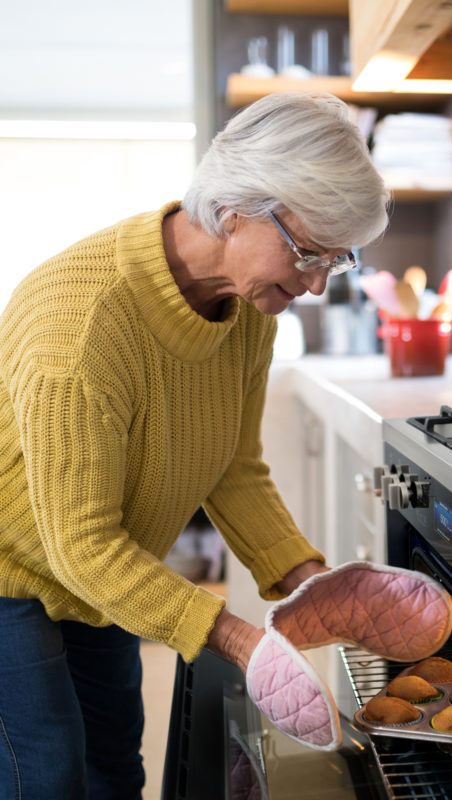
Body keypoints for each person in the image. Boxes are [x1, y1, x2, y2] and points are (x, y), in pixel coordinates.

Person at [0, 91, 390, 799]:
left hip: (101, 567)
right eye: (307, 253)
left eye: (336, 261)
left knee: (114, 766)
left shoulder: (249, 309)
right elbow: (80, 544)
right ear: (236, 208)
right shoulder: (80, 328)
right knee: (47, 775)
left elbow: (233, 466)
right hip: (11, 568)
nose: (314, 284)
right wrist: (239, 640)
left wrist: (311, 581)